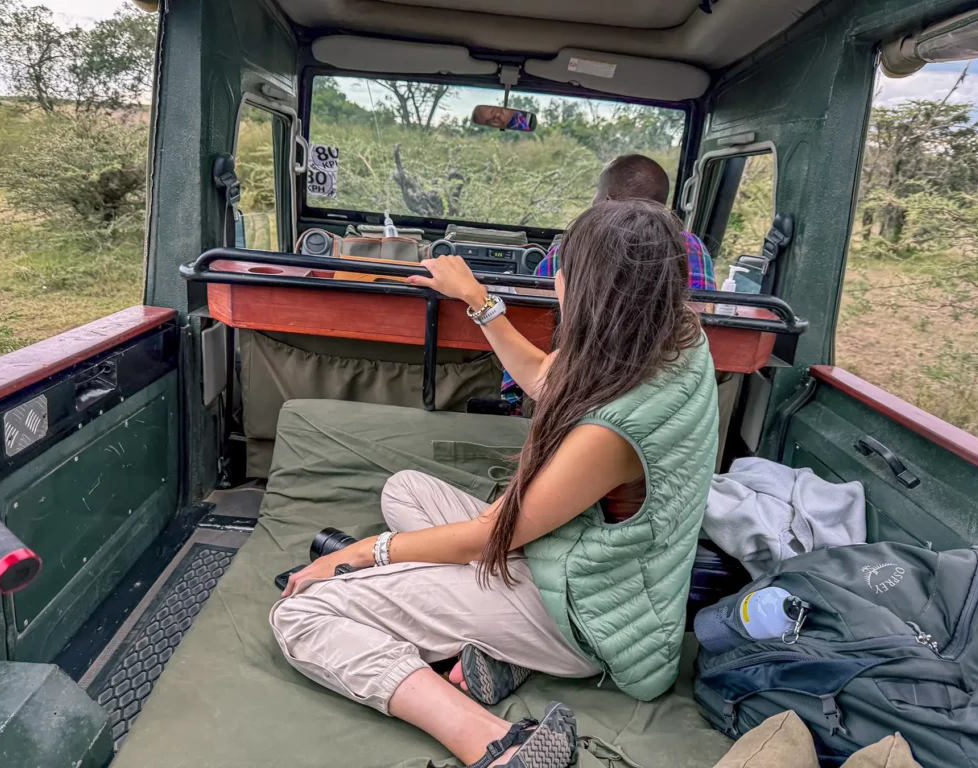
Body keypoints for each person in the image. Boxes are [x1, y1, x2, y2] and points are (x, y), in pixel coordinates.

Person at [269, 200, 719, 768]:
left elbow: (489, 537)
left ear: (589, 290)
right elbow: (541, 378)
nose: (555, 276)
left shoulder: (615, 429)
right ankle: (500, 651)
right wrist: (477, 298)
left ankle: (497, 745)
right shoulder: (668, 340)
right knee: (403, 491)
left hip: (587, 618)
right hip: (585, 566)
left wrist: (364, 554)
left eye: (564, 266)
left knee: (303, 612)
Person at [501, 153, 716, 407]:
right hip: (671, 386)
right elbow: (702, 313)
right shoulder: (692, 247)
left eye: (597, 194)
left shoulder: (577, 244)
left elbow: (533, 315)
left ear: (608, 201)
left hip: (574, 382)